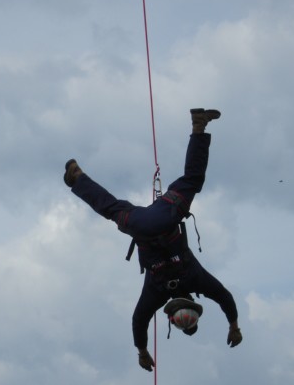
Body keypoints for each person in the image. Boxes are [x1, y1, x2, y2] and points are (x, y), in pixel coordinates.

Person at [64, 108, 242, 371]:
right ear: (169, 313)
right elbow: (139, 320)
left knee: (192, 180)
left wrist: (234, 326)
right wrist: (142, 351)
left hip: (165, 217)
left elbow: (225, 297)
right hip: (140, 226)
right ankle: (78, 179)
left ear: (192, 300)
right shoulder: (157, 293)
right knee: (112, 209)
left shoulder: (196, 280)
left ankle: (198, 126)